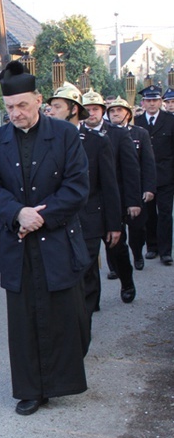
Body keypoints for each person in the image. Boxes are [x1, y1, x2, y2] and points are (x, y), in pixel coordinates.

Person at [0, 61, 91, 416]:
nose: (16, 113)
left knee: (66, 314)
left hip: (57, 238)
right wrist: (17, 214)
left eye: (23, 105)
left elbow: (77, 187)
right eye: (10, 107)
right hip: (17, 243)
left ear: (39, 100)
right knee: (24, 319)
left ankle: (60, 382)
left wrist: (39, 215)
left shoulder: (64, 135)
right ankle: (30, 389)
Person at [46, 83, 120, 349]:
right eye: (50, 106)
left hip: (89, 219)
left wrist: (114, 224)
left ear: (73, 110)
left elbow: (109, 185)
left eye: (56, 106)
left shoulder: (97, 142)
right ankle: (68, 328)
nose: (50, 111)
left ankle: (83, 333)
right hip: (56, 223)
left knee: (86, 275)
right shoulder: (48, 141)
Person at [81, 90, 140, 304]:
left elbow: (130, 170)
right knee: (88, 257)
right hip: (88, 205)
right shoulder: (75, 136)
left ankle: (127, 282)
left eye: (95, 109)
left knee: (116, 249)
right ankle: (92, 300)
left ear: (102, 111)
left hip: (112, 202)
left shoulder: (118, 134)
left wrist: (133, 201)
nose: (91, 113)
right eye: (87, 109)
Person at [107, 96, 157, 270]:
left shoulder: (139, 133)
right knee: (112, 229)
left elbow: (148, 163)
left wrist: (149, 188)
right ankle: (114, 265)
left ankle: (137, 254)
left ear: (128, 113)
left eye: (119, 110)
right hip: (114, 190)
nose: (115, 114)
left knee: (137, 228)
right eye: (112, 111)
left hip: (135, 188)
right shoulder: (105, 133)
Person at [134, 85, 174, 265]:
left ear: (160, 102)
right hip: (143, 176)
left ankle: (166, 251)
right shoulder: (137, 121)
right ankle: (152, 247)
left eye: (155, 100)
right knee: (148, 214)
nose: (151, 104)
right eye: (148, 100)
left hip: (166, 175)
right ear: (143, 103)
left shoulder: (170, 120)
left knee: (165, 213)